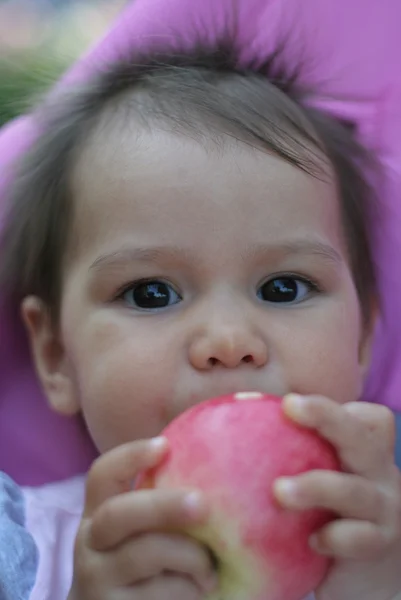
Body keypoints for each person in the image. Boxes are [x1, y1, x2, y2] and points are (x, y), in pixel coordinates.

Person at [0, 39, 400, 600]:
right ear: (56, 355)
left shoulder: (381, 537)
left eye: (283, 288)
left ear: (361, 338)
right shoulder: (29, 554)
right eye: (151, 293)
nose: (229, 341)